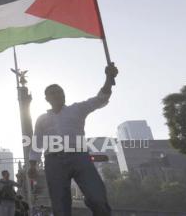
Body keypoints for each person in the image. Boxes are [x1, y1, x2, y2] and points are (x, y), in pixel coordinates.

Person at [27, 63, 118, 216]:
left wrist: (109, 78)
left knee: (97, 197)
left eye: (60, 92)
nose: (58, 95)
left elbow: (100, 99)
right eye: (54, 93)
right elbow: (36, 142)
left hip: (79, 157)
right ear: (47, 98)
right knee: (60, 207)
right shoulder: (41, 119)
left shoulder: (77, 109)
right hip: (53, 161)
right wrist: (32, 165)